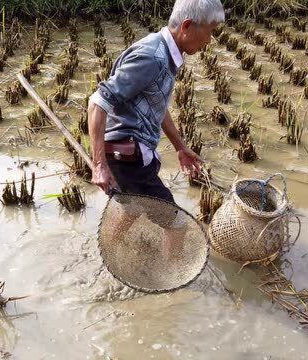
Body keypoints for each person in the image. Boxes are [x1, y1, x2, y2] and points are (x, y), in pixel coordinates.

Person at [87, 0, 225, 259]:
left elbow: (156, 105)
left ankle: (106, 255)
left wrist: (180, 147)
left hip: (128, 154)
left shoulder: (165, 53)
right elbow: (98, 101)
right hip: (129, 157)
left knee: (131, 209)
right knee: (178, 225)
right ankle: (173, 283)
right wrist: (99, 164)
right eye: (210, 30)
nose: (210, 39)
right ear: (187, 26)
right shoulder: (152, 57)